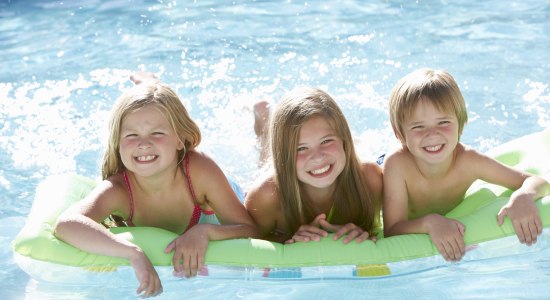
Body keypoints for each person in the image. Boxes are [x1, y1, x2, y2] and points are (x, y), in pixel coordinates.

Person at [54, 73, 258, 298]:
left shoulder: (199, 170)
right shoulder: (120, 190)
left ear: (180, 140)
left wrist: (205, 231)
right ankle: (150, 87)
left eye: (157, 133)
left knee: (262, 175)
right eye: (131, 135)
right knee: (152, 104)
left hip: (220, 193)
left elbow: (251, 229)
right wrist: (132, 252)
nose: (143, 144)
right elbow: (67, 223)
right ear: (117, 144)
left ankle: (263, 123)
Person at [382, 68, 550, 262]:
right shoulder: (397, 165)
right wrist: (429, 223)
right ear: (399, 133)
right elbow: (392, 230)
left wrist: (524, 195)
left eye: (443, 122)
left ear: (460, 124)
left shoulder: (468, 161)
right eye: (418, 126)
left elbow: (535, 181)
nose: (432, 134)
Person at [245, 87, 383, 244]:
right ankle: (264, 126)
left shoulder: (370, 179)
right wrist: (288, 238)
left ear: (344, 140)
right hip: (279, 174)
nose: (317, 157)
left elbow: (386, 231)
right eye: (301, 148)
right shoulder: (266, 196)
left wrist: (367, 232)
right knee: (266, 157)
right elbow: (251, 241)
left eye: (326, 141)